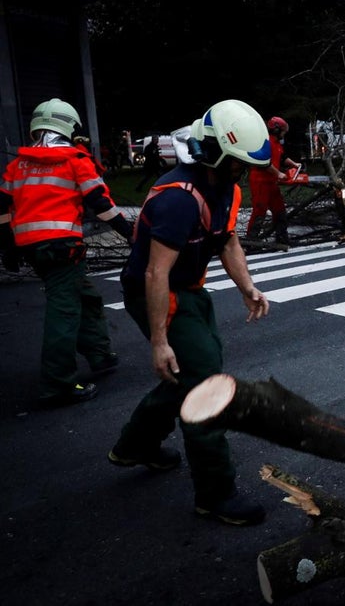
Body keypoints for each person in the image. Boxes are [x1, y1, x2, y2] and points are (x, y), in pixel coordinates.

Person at [109, 99, 272, 526]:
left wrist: (248, 287)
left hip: (190, 289)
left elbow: (227, 241)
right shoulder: (178, 198)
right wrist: (159, 341)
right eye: (238, 165)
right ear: (215, 153)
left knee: (191, 372)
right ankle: (216, 495)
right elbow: (154, 273)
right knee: (204, 386)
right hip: (158, 291)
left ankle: (135, 445)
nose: (244, 174)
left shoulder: (226, 189)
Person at [0, 98, 133, 405]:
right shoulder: (75, 159)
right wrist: (130, 234)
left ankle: (100, 355)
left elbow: (3, 208)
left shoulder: (17, 166)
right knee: (65, 310)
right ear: (70, 127)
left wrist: (8, 246)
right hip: (63, 247)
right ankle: (58, 383)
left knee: (85, 295)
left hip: (34, 249)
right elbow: (100, 204)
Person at [245, 116, 300, 245]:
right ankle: (251, 241)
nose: (283, 134)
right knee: (260, 210)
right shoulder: (266, 142)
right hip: (260, 181)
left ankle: (282, 238)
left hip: (271, 182)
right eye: (282, 131)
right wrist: (279, 173)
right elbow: (264, 162)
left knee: (279, 209)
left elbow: (282, 157)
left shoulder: (276, 143)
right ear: (276, 130)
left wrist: (294, 164)